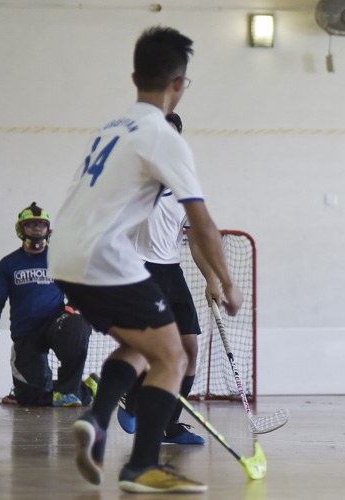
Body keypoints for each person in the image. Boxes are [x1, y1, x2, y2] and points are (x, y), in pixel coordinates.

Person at [48, 26, 243, 494]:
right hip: (106, 258)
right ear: (179, 84)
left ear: (135, 75)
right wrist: (228, 282)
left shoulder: (113, 127)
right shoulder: (163, 135)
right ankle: (141, 466)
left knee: (146, 345)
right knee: (174, 356)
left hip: (65, 256)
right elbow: (201, 223)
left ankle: (96, 421)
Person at [116, 112, 222, 446]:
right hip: (138, 271)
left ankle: (169, 424)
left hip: (170, 271)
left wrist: (212, 279)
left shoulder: (185, 186)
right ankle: (130, 399)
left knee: (189, 349)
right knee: (151, 350)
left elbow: (193, 238)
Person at [0, 202, 96, 407]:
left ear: (48, 230)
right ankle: (86, 390)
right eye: (31, 225)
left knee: (78, 325)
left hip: (55, 324)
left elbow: (82, 286)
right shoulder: (8, 264)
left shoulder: (59, 258)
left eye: (41, 225)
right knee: (30, 398)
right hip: (26, 333)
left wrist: (73, 305)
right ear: (21, 229)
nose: (36, 230)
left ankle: (69, 391)